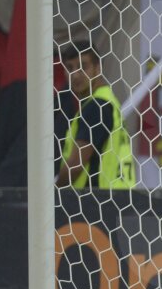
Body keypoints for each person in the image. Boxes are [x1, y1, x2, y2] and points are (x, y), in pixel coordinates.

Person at [56, 43, 136, 189]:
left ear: (98, 68)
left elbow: (76, 164)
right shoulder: (108, 102)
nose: (75, 74)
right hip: (119, 196)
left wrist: (51, 194)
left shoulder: (97, 107)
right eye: (69, 68)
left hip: (98, 201)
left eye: (83, 66)